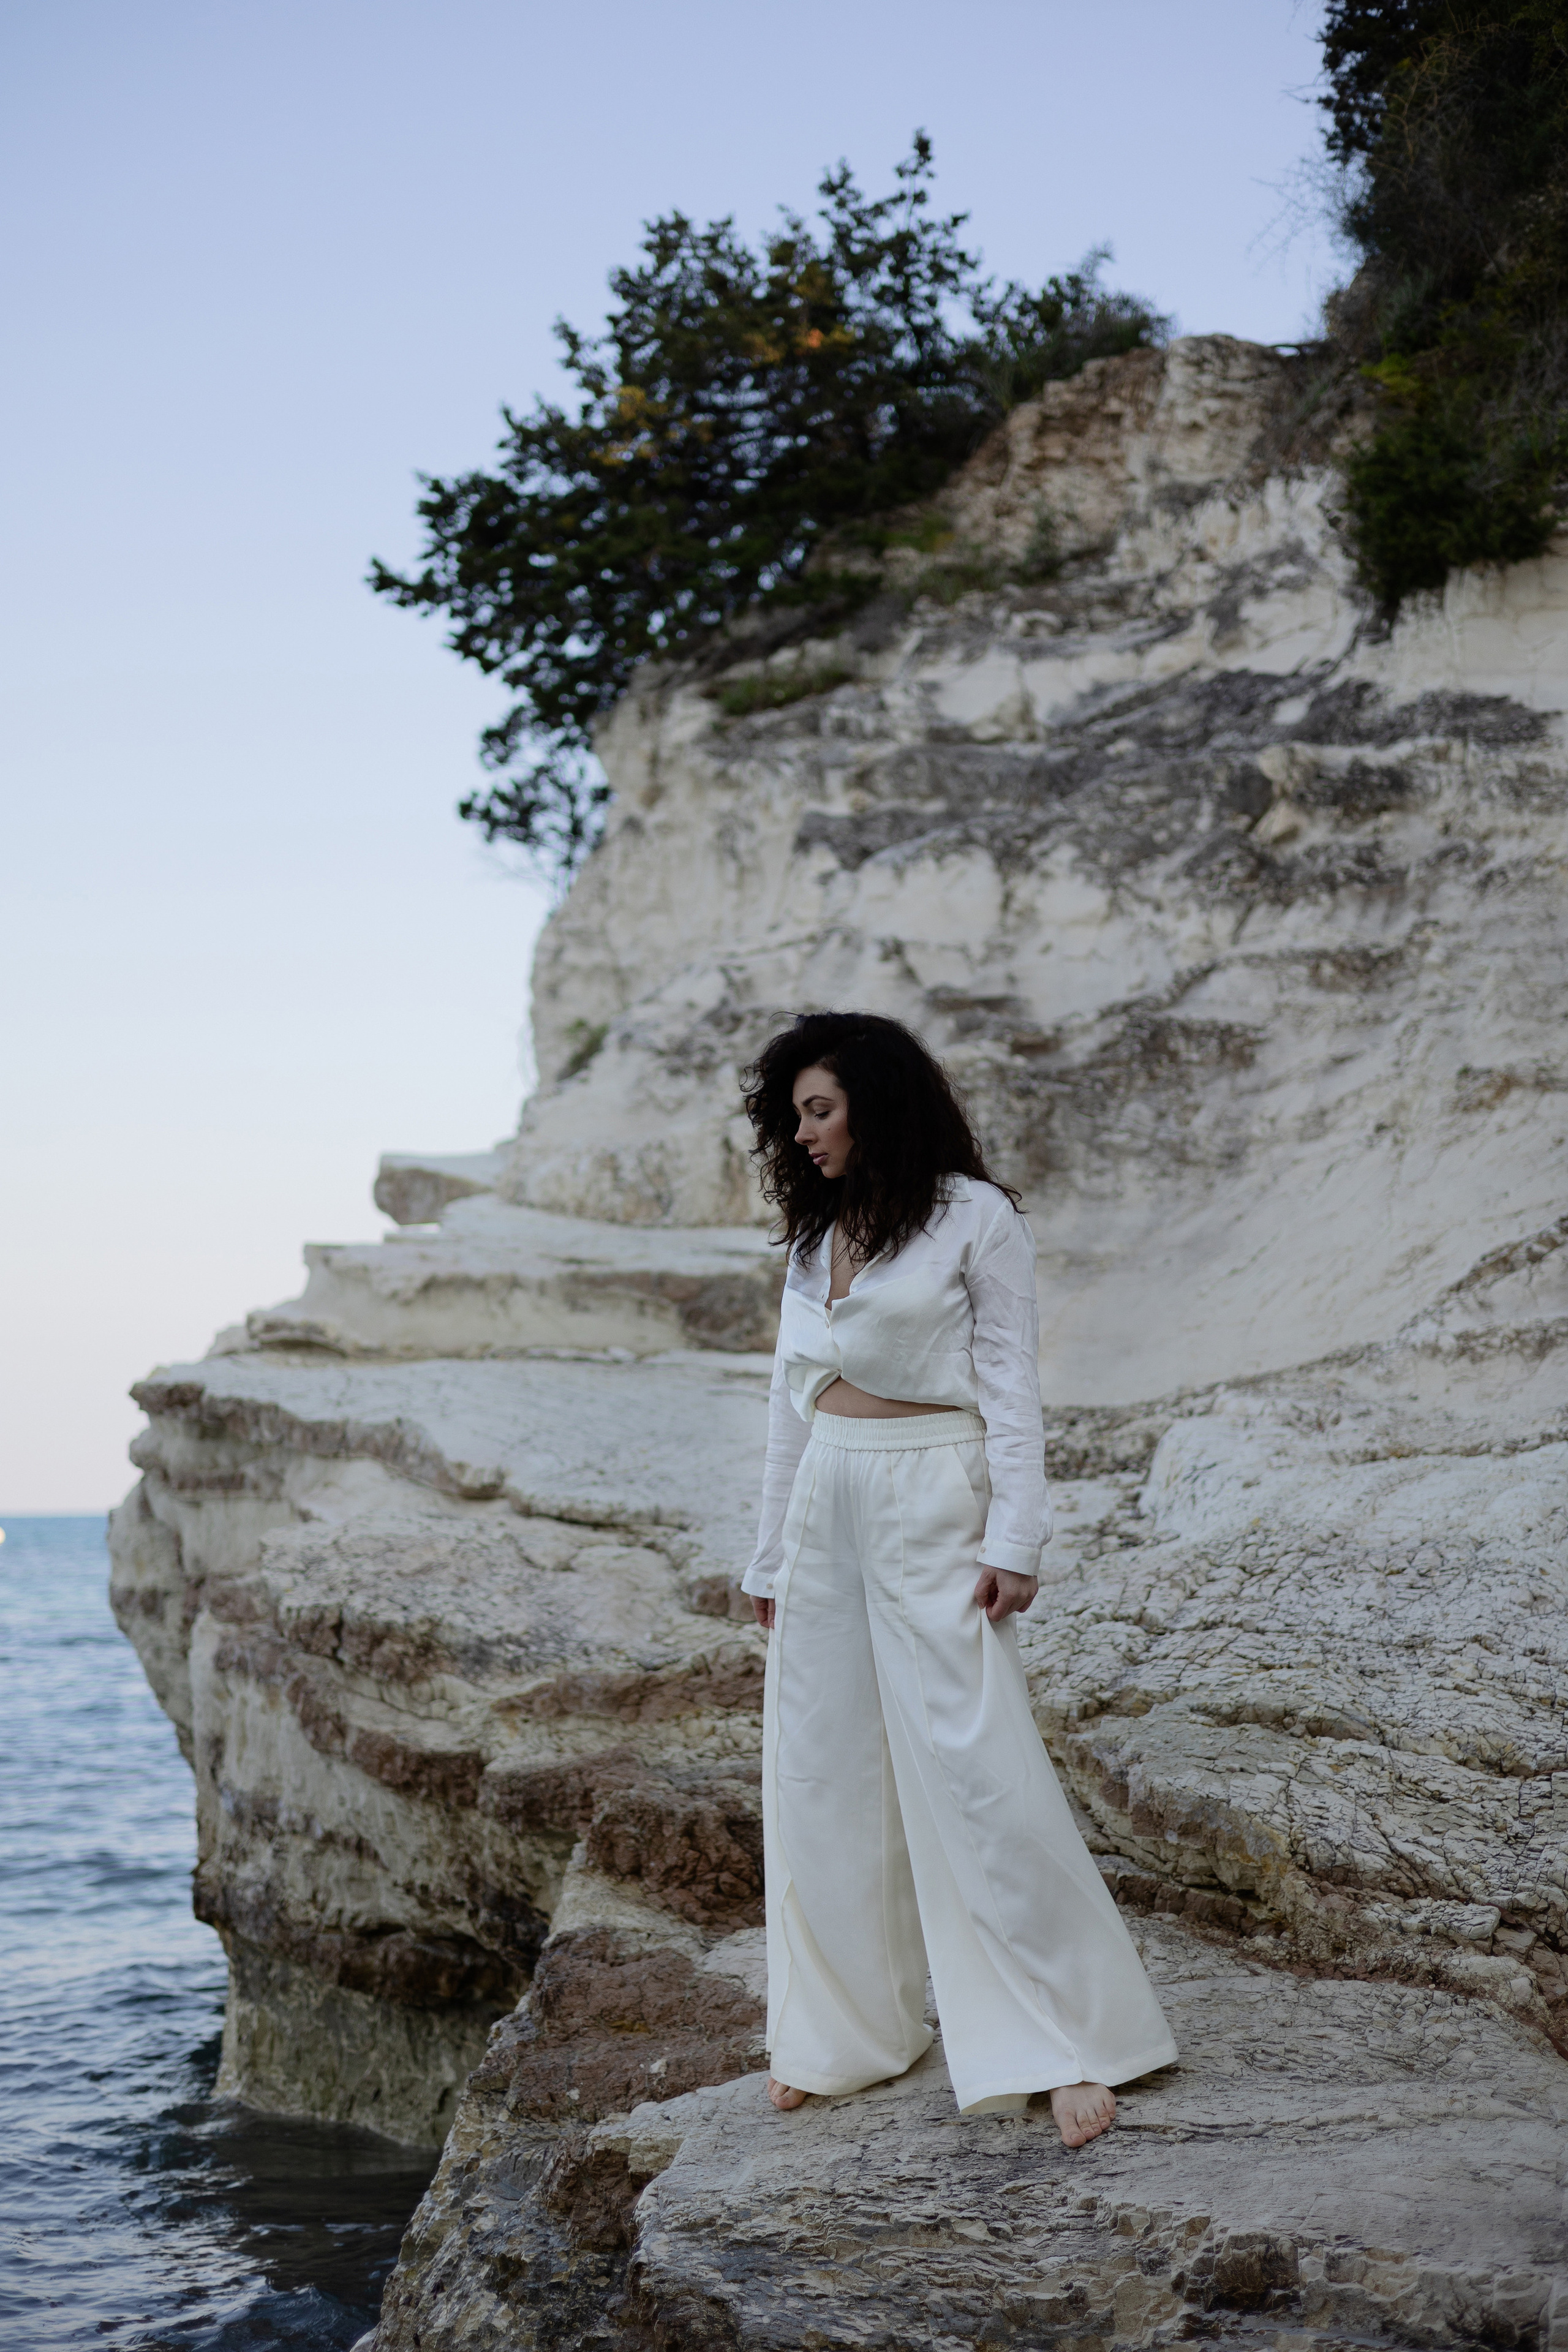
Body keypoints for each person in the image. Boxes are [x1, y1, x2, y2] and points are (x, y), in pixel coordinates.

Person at [739, 1011, 1177, 2147]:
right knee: (819, 1765)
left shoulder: (976, 1218)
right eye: (795, 1117)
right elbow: (789, 1407)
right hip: (826, 1493)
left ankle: (1063, 2040)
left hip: (933, 1488)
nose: (804, 1135)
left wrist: (1017, 1537)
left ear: (876, 1104)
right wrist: (770, 1550)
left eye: (821, 1111)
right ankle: (840, 2038)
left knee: (973, 1762)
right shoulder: (816, 1233)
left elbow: (1012, 1388)